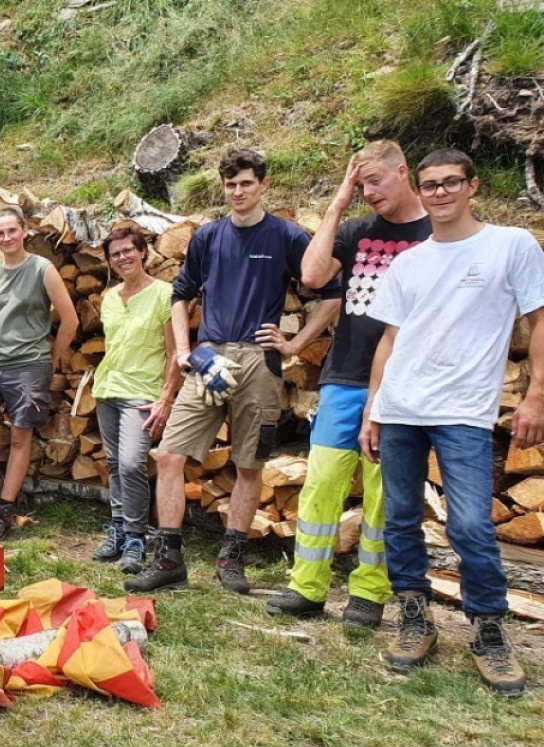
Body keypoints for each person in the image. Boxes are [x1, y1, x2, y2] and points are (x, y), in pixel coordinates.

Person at [360, 148, 544, 697]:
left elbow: (539, 320)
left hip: (463, 411)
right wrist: (373, 409)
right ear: (419, 190)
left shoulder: (510, 245)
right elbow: (390, 340)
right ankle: (415, 618)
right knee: (399, 520)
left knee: (469, 526)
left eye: (450, 183)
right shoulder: (409, 263)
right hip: (400, 408)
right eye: (431, 185)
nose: (440, 193)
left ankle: (489, 631)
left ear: (472, 185)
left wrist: (536, 395)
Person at [127, 149, 341, 595]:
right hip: (208, 359)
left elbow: (331, 292)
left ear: (263, 184)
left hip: (259, 361)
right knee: (169, 455)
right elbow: (181, 294)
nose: (238, 192)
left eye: (246, 183)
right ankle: (169, 559)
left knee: (248, 464)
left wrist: (296, 344)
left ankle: (232, 560)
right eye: (230, 185)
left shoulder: (286, 235)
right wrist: (183, 351)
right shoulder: (208, 237)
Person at [266, 141, 430, 627]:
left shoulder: (434, 234)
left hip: (404, 383)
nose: (368, 193)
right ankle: (307, 587)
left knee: (383, 494)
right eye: (360, 186)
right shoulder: (357, 231)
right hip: (344, 376)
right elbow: (313, 275)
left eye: (375, 181)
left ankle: (369, 594)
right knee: (321, 484)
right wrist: (338, 203)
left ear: (403, 172)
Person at [0, 206, 79, 536]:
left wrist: (51, 358)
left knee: (19, 435)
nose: (6, 238)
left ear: (25, 231)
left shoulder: (42, 269)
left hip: (30, 366)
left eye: (12, 230)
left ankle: (4, 508)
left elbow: (71, 320)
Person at [90, 228, 181, 574]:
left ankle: (136, 537)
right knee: (115, 463)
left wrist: (165, 397)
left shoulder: (163, 294)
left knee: (131, 463)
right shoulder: (109, 298)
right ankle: (118, 528)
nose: (122, 257)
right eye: (114, 254)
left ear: (142, 251)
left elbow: (175, 352)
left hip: (142, 392)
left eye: (128, 250)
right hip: (107, 389)